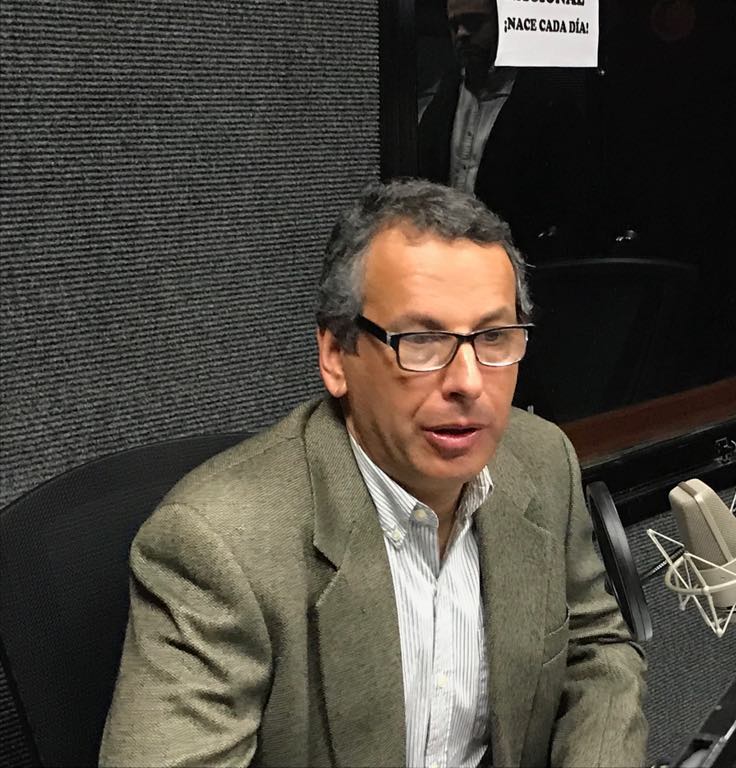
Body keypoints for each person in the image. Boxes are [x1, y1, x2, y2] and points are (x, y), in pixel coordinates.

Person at [99, 179, 648, 767]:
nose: (468, 382)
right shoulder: (217, 545)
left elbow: (596, 650)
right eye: (422, 339)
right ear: (336, 356)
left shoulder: (541, 459)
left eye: (493, 337)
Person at [418, 0, 591, 259]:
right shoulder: (444, 95)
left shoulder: (547, 100)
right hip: (447, 254)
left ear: (506, 24)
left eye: (474, 23)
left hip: (519, 257)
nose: (462, 34)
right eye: (454, 26)